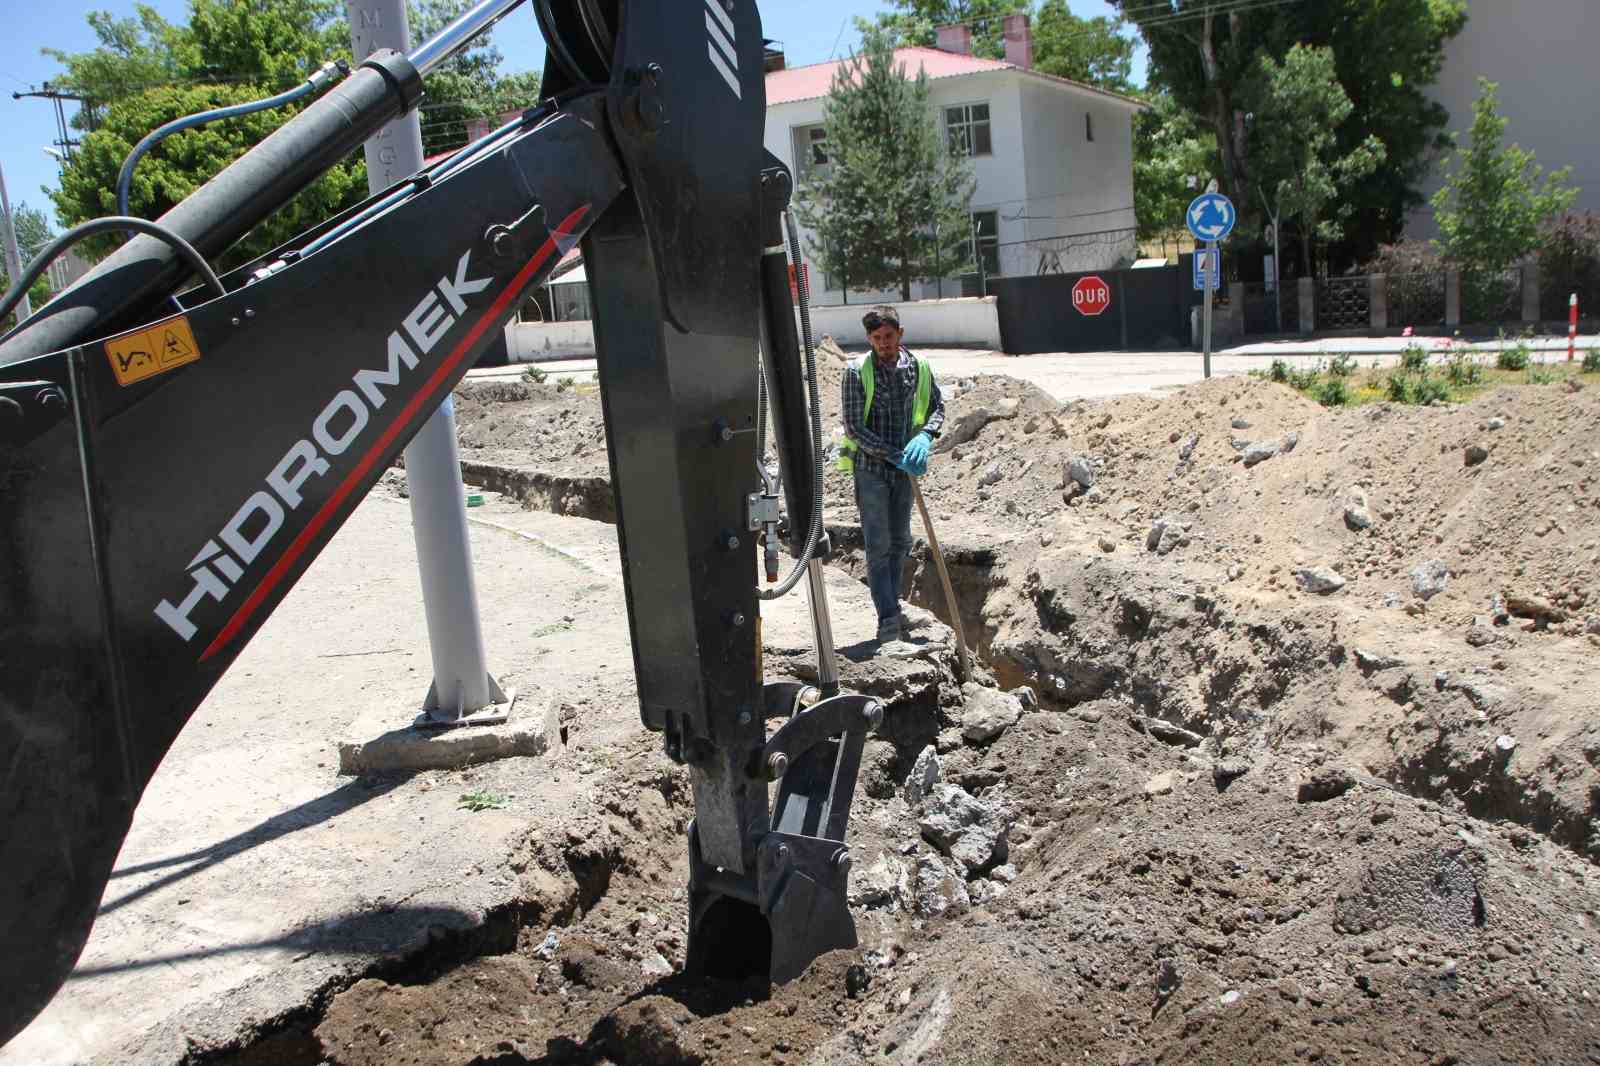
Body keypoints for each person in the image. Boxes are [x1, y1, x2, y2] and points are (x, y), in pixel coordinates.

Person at [838, 306, 946, 644]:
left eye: (888, 336)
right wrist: (895, 455)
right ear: (869, 339)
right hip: (871, 470)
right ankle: (887, 618)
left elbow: (937, 407)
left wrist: (926, 436)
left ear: (900, 333)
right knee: (879, 545)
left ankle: (894, 606)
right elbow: (854, 428)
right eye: (876, 338)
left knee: (901, 541)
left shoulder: (920, 368)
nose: (883, 343)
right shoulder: (856, 372)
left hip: (905, 472)